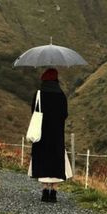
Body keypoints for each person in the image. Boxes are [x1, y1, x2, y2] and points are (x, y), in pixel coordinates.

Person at [28, 68, 73, 202]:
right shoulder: (61, 95)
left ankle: (44, 191)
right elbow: (65, 114)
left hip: (41, 133)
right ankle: (53, 191)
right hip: (56, 134)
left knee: (42, 158)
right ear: (56, 79)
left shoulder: (38, 94)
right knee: (56, 160)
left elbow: (33, 111)